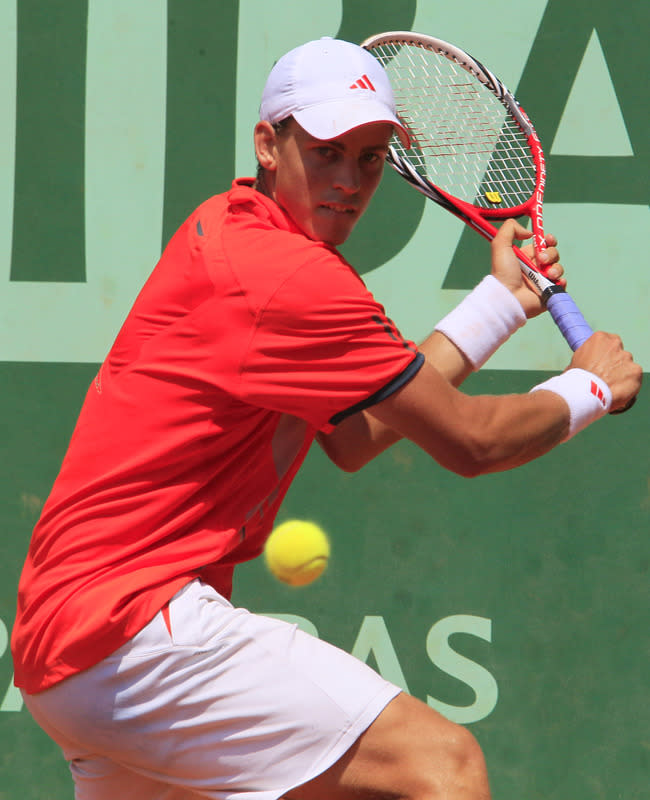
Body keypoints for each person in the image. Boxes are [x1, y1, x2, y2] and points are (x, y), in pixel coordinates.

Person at [12, 36, 640, 800]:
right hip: (133, 631)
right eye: (327, 152)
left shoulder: (235, 230)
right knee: (444, 765)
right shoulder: (291, 279)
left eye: (371, 157)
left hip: (69, 657)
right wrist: (590, 389)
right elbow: (472, 443)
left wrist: (503, 303)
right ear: (268, 145)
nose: (350, 181)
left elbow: (354, 435)